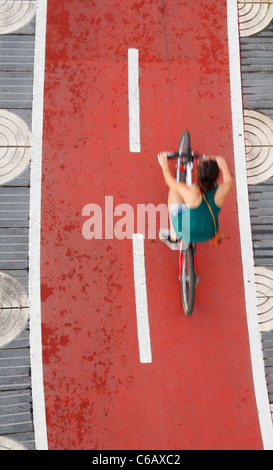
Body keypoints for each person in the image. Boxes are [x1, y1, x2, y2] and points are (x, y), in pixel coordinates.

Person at [157, 152, 233, 249]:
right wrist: (223, 164)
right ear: (217, 175)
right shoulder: (224, 189)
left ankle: (173, 238)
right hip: (209, 233)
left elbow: (169, 181)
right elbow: (228, 180)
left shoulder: (191, 191)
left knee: (174, 190)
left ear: (197, 173)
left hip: (184, 232)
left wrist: (164, 164)